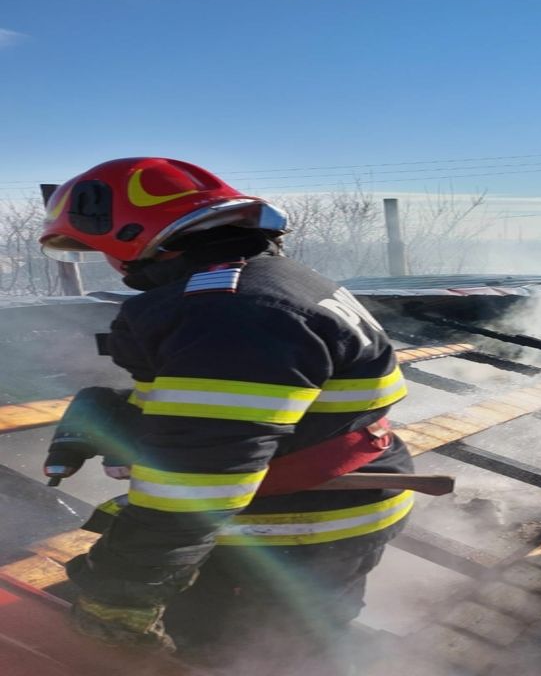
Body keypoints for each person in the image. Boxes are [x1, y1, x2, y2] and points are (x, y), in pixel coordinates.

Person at [39, 157, 413, 668]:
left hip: (292, 532)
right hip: (329, 507)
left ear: (132, 236)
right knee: (301, 643)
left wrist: (124, 589)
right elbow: (251, 413)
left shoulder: (230, 313)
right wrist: (117, 415)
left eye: (103, 249)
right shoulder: (274, 284)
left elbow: (199, 480)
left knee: (239, 654)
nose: (111, 264)